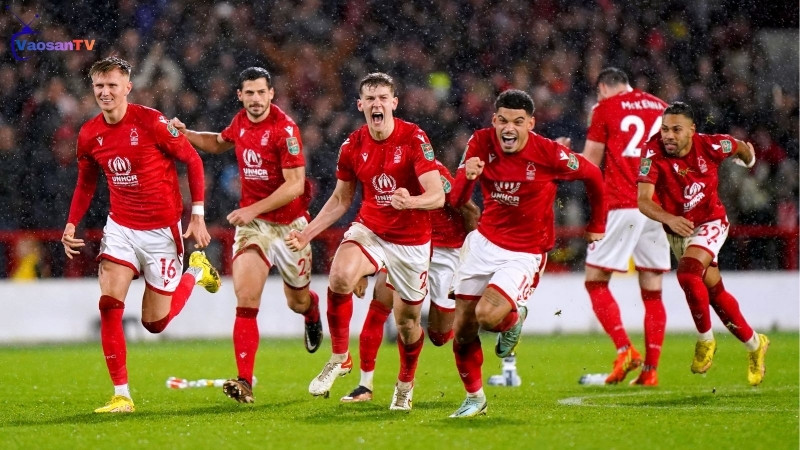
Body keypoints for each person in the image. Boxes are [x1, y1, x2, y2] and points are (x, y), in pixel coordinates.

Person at [61, 56, 221, 413]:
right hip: (121, 227)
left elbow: (193, 160)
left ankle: (195, 272)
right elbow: (86, 182)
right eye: (99, 86)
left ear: (127, 88)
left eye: (112, 85)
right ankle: (122, 395)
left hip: (162, 232)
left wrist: (197, 215)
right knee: (108, 303)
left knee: (155, 323)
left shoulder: (152, 122)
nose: (105, 92)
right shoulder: (89, 134)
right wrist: (72, 223)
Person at [286, 72, 444, 410]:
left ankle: (405, 384)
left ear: (394, 103)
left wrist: (412, 201)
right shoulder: (352, 145)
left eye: (383, 98)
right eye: (370, 99)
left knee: (407, 323)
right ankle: (340, 357)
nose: (376, 104)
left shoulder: (414, 138)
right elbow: (341, 199)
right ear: (360, 105)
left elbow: (437, 195)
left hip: (411, 240)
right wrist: (307, 232)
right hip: (371, 229)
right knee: (340, 276)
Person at [447, 89, 606, 418]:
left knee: (487, 316)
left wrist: (597, 224)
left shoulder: (548, 153)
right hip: (484, 243)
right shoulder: (479, 142)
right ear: (494, 120)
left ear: (530, 124)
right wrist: (466, 177)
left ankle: (512, 318)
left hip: (524, 251)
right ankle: (475, 398)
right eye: (503, 121)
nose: (509, 128)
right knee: (461, 328)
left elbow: (593, 173)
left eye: (518, 122)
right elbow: (457, 200)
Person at [170, 67, 320, 404]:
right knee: (247, 298)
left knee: (297, 301)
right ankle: (244, 381)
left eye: (261, 92)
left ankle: (312, 311)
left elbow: (295, 185)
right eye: (249, 93)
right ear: (240, 95)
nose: (255, 99)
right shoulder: (240, 122)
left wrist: (253, 208)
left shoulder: (285, 130)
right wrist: (185, 133)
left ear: (271, 94)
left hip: (291, 226)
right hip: (254, 227)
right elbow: (217, 143)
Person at [637, 101, 769, 386]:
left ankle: (705, 340)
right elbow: (643, 200)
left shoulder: (711, 145)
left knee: (687, 274)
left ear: (692, 131)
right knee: (714, 292)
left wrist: (749, 160)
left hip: (711, 222)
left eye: (676, 130)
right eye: (664, 129)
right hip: (678, 228)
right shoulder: (652, 151)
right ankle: (756, 344)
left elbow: (740, 147)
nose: (668, 135)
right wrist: (670, 219)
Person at [340, 160, 480, 403]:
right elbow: (372, 215)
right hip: (407, 246)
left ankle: (479, 314)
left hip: (446, 253)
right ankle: (365, 386)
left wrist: (471, 256)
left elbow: (470, 210)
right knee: (380, 306)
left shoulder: (435, 173)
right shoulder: (384, 170)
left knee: (439, 336)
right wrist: (363, 271)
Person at [580, 67, 670, 386]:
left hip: (624, 203)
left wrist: (560, 161)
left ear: (603, 88)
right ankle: (651, 371)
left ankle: (625, 349)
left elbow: (590, 161)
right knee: (653, 290)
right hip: (657, 205)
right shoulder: (661, 106)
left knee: (595, 281)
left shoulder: (605, 108)